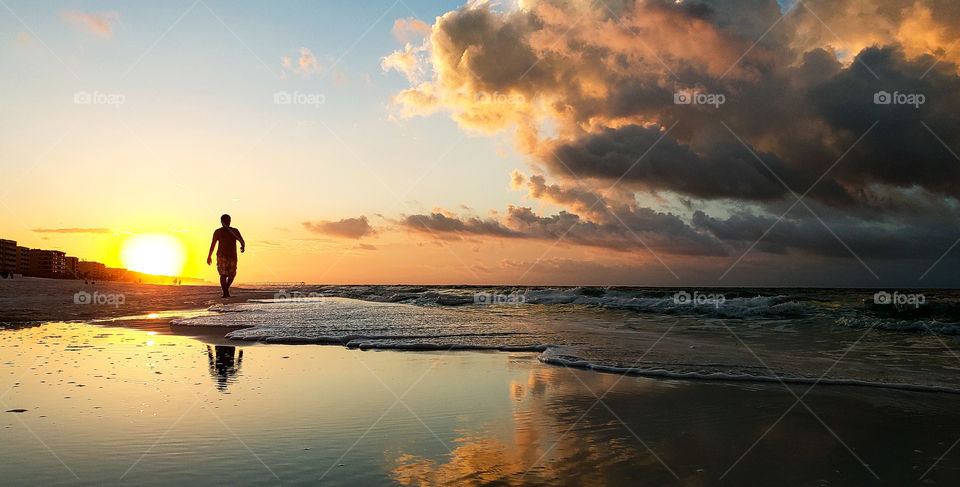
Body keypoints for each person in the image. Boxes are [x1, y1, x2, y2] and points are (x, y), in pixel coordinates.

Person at [207, 214, 245, 298]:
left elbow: (241, 239)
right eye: (225, 221)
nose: (227, 223)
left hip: (232, 256)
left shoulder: (234, 231)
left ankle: (226, 289)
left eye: (229, 221)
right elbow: (213, 244)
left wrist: (243, 245)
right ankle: (225, 293)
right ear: (221, 222)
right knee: (223, 274)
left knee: (232, 274)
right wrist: (209, 256)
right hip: (221, 255)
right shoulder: (218, 232)